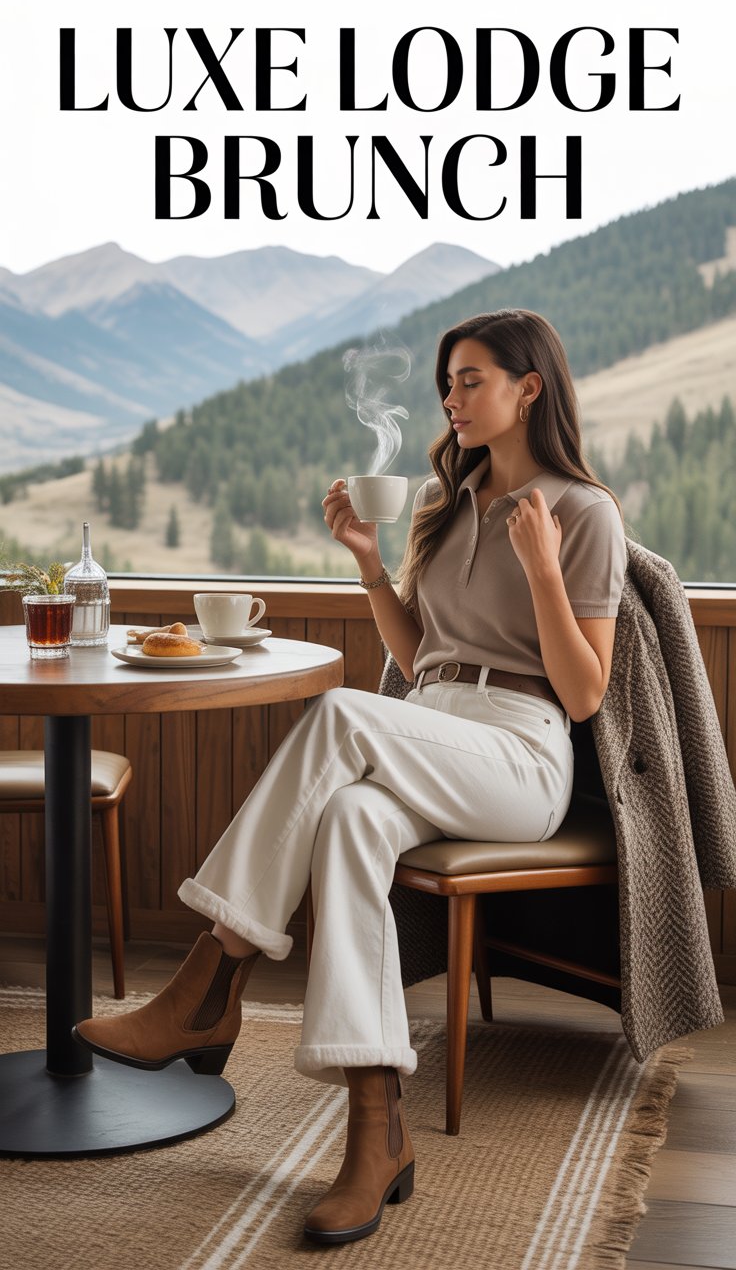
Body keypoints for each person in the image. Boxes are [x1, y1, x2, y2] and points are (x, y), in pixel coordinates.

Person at [74, 308, 627, 1245]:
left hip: (519, 748)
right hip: (429, 723)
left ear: (529, 389)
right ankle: (378, 1136)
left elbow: (583, 695)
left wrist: (543, 571)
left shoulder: (581, 512)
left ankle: (209, 981)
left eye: (472, 380)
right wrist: (372, 569)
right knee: (353, 823)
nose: (450, 399)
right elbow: (420, 661)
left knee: (335, 716)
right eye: (446, 382)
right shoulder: (442, 503)